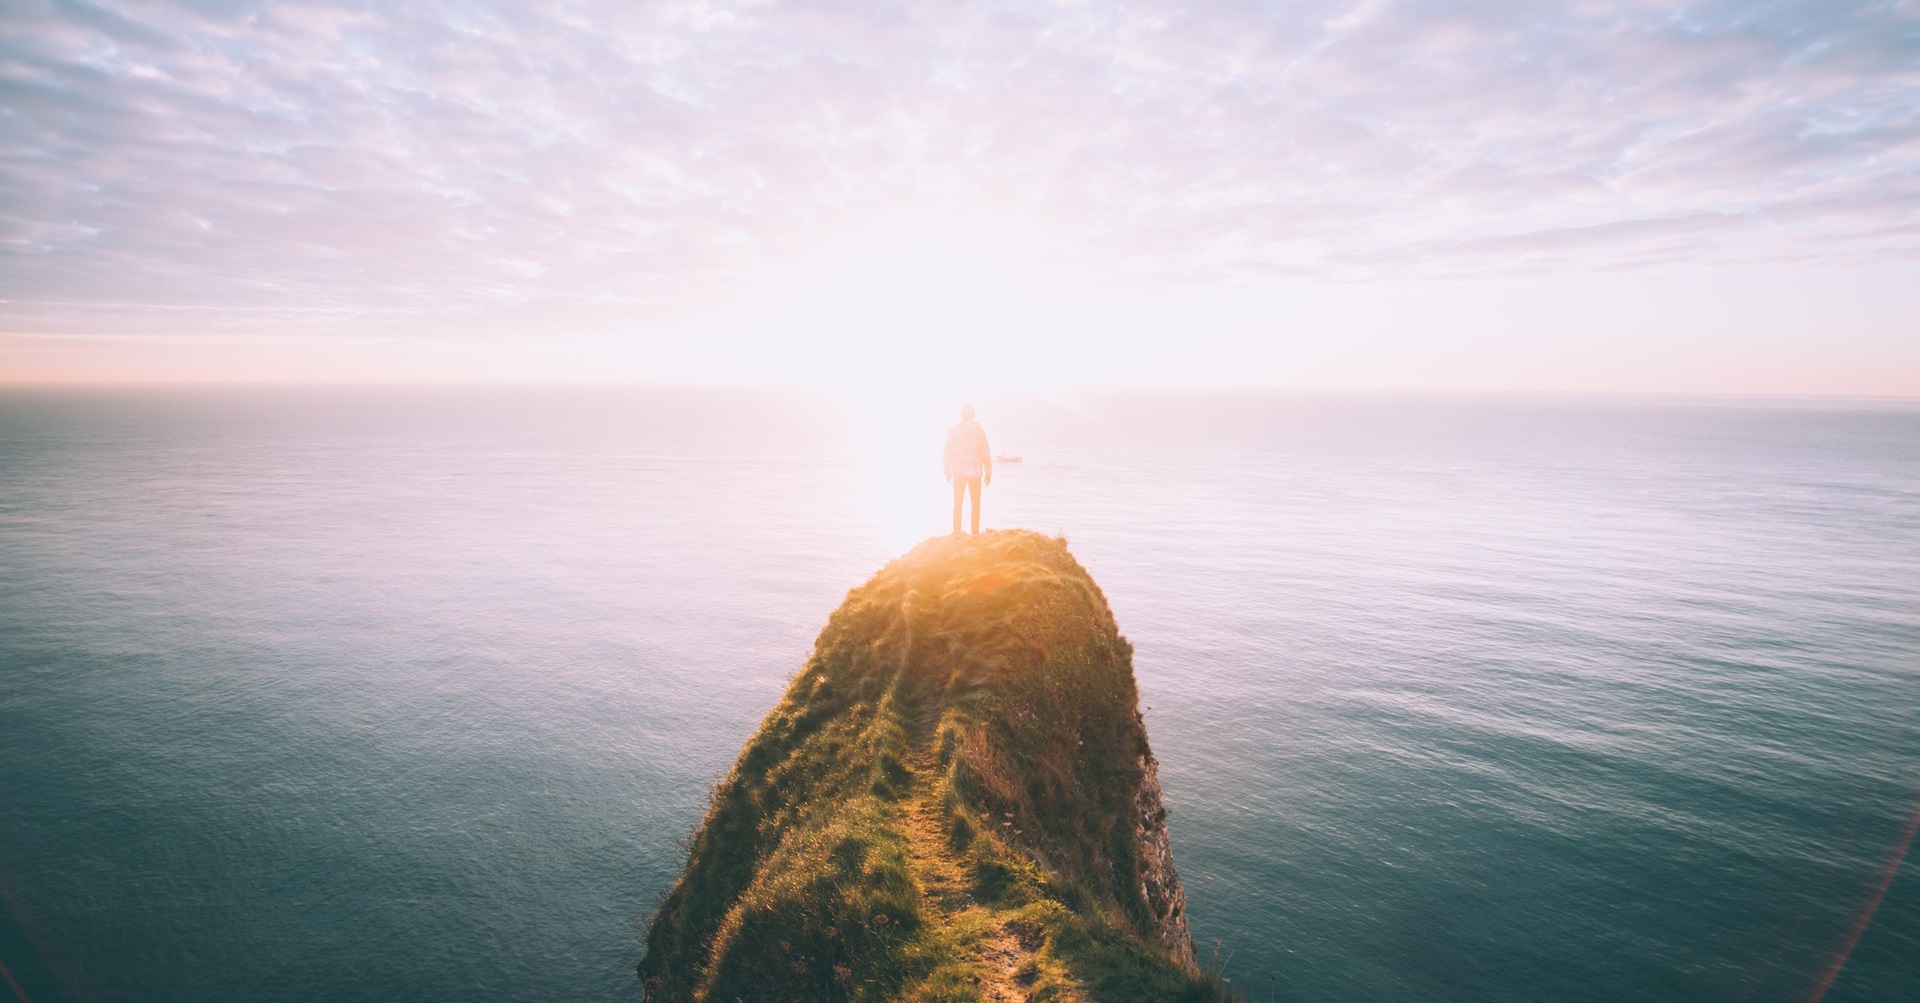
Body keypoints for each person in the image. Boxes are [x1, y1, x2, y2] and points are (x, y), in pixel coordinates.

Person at [943, 404, 992, 535]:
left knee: (957, 503)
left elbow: (948, 452)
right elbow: (985, 451)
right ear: (973, 414)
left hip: (959, 472)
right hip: (975, 472)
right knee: (975, 503)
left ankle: (957, 533)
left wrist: (947, 470)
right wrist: (988, 470)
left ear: (961, 414)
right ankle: (975, 533)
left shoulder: (954, 431)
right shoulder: (979, 431)